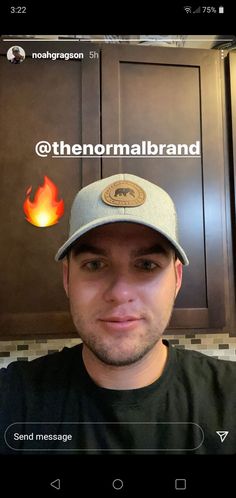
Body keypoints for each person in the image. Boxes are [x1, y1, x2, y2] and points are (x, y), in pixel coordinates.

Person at [0, 173, 236, 455]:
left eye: (147, 265)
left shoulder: (230, 397)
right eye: (95, 264)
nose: (120, 292)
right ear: (67, 279)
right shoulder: (13, 398)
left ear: (177, 279)